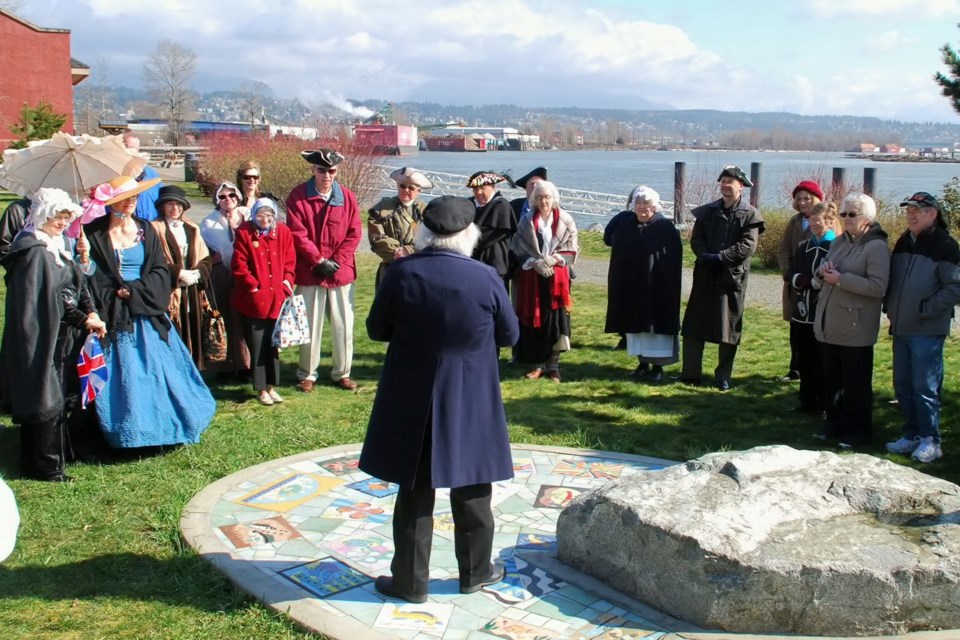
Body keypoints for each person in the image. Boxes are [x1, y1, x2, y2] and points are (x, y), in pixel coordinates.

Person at [359, 195, 519, 604]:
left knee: (414, 488)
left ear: (424, 232)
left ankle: (410, 582)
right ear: (471, 234)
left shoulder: (402, 272)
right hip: (472, 393)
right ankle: (476, 572)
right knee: (472, 485)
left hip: (413, 390)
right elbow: (510, 336)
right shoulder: (486, 277)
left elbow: (377, 329)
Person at [83, 175, 216, 449]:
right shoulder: (93, 232)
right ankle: (126, 430)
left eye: (134, 197)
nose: (131, 202)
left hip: (145, 311)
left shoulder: (146, 230)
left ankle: (165, 427)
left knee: (156, 371)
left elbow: (158, 270)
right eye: (125, 198)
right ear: (112, 202)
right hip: (112, 313)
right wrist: (85, 260)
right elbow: (90, 277)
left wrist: (133, 290)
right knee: (124, 375)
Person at [0, 188, 106, 481]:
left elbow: (76, 285)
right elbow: (52, 300)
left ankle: (58, 456)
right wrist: (85, 320)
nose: (61, 222)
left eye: (65, 217)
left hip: (60, 333)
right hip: (41, 335)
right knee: (43, 393)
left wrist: (91, 310)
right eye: (57, 216)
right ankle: (44, 466)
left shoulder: (55, 246)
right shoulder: (34, 251)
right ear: (42, 215)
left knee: (59, 392)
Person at [884, 192, 960, 463]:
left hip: (927, 329)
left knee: (925, 386)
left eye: (918, 210)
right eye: (908, 210)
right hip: (901, 327)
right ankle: (913, 434)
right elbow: (894, 279)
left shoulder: (945, 245)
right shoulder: (905, 241)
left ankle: (931, 439)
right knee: (902, 384)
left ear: (932, 214)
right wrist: (890, 308)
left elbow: (955, 287)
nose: (911, 214)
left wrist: (925, 309)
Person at [813, 193, 890, 450]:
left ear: (867, 218)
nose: (845, 218)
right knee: (832, 380)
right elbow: (826, 268)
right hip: (830, 324)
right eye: (843, 213)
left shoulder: (876, 247)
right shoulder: (841, 241)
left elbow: (878, 287)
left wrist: (841, 279)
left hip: (855, 328)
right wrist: (822, 272)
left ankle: (858, 432)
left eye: (851, 214)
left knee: (855, 384)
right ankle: (834, 425)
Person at [679, 165, 764, 391]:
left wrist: (722, 257)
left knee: (729, 325)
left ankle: (723, 375)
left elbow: (748, 246)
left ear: (741, 186)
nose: (726, 185)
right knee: (694, 324)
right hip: (705, 274)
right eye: (724, 181)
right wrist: (705, 256)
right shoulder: (708, 211)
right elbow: (696, 238)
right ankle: (690, 373)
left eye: (731, 182)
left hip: (732, 278)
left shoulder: (751, 214)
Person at [286, 149, 362, 392]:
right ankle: (307, 373)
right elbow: (298, 234)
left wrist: (337, 261)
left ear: (336, 171)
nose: (327, 175)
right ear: (313, 170)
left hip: (340, 273)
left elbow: (354, 233)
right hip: (310, 272)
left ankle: (343, 372)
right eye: (322, 170)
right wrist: (319, 260)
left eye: (331, 171)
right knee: (310, 325)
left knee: (343, 326)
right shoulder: (298, 197)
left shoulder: (347, 197)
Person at [604, 186, 682, 382]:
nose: (642, 207)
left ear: (654, 206)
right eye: (639, 203)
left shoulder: (665, 228)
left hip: (657, 288)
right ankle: (642, 363)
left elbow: (672, 260)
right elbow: (618, 254)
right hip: (632, 287)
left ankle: (658, 367)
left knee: (655, 330)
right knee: (636, 328)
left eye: (646, 204)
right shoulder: (626, 226)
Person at [509, 180, 578, 382]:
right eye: (539, 197)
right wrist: (535, 262)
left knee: (556, 319)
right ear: (534, 200)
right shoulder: (527, 221)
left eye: (547, 197)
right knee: (535, 317)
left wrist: (553, 259)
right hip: (533, 276)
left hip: (557, 277)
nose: (543, 201)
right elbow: (517, 247)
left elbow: (572, 248)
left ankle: (554, 365)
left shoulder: (566, 220)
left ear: (553, 198)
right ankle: (537, 365)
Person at [231, 198, 296, 406]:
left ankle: (272, 386)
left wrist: (286, 283)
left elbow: (290, 261)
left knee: (273, 344)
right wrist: (253, 285)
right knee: (257, 345)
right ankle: (260, 389)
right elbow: (239, 264)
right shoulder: (244, 232)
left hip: (277, 298)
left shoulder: (283, 232)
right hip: (254, 300)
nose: (265, 219)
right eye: (260, 215)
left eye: (269, 215)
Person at [786, 201, 840, 413]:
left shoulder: (835, 247)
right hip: (801, 311)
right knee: (804, 357)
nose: (814, 224)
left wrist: (817, 281)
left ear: (829, 221)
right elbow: (793, 274)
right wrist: (806, 281)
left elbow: (830, 276)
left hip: (822, 311)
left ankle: (824, 403)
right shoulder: (804, 247)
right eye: (811, 220)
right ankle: (806, 400)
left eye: (818, 220)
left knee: (823, 359)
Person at [151, 185, 211, 369]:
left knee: (193, 330)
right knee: (174, 331)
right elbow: (152, 261)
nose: (175, 208)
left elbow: (205, 257)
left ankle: (193, 372)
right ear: (162, 206)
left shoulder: (192, 228)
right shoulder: (154, 229)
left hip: (192, 291)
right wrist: (177, 273)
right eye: (170, 203)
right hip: (169, 292)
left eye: (178, 204)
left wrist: (198, 272)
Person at [200, 181, 251, 379]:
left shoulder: (248, 214)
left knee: (246, 320)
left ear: (238, 196)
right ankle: (227, 365)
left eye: (231, 195)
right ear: (217, 200)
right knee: (227, 319)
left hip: (247, 272)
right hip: (222, 275)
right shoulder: (209, 222)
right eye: (222, 196)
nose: (228, 199)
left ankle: (248, 365)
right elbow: (210, 253)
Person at [777, 180, 823, 382]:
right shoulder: (795, 221)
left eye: (807, 198)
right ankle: (795, 369)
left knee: (813, 328)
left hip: (816, 283)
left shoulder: (827, 221)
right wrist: (788, 273)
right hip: (795, 281)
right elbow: (784, 248)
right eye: (799, 198)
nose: (803, 202)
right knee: (795, 327)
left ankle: (813, 371)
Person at [367, 167, 432, 287]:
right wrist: (396, 252)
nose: (406, 190)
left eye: (411, 187)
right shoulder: (381, 207)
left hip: (417, 269)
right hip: (390, 269)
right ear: (397, 185)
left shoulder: (427, 211)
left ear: (419, 190)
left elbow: (431, 239)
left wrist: (409, 250)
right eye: (402, 186)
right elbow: (375, 236)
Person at [467, 170, 516, 290]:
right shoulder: (468, 204)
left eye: (482, 188)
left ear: (492, 186)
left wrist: (464, 241)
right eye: (475, 189)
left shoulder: (501, 206)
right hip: (470, 264)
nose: (478, 192)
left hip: (494, 265)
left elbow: (489, 237)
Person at [121, 129, 162, 221]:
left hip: (149, 227)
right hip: (121, 227)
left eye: (133, 148)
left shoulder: (152, 175)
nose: (130, 152)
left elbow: (162, 201)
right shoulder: (112, 175)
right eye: (127, 147)